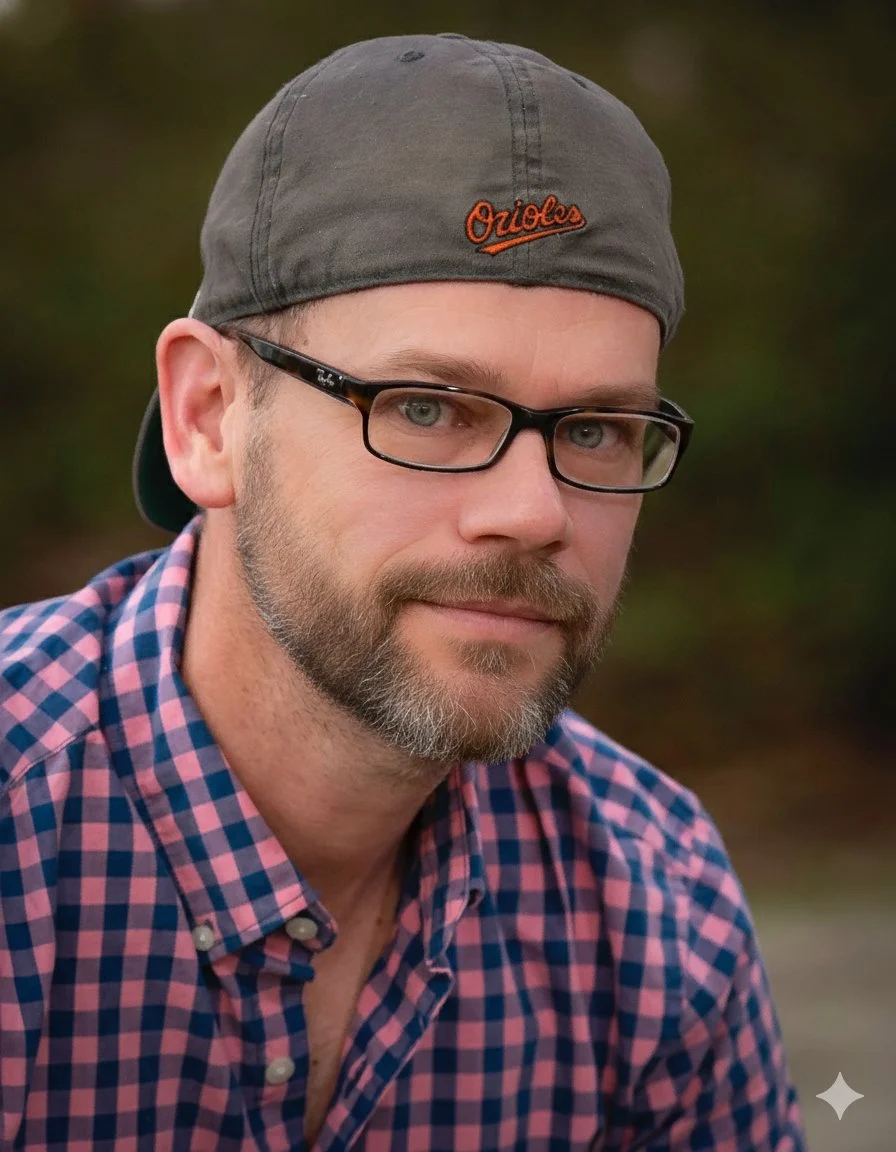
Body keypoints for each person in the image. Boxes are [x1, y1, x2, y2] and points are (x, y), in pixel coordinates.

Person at [0, 33, 805, 1152]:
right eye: (428, 407)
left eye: (595, 430)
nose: (533, 511)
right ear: (208, 417)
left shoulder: (652, 902)